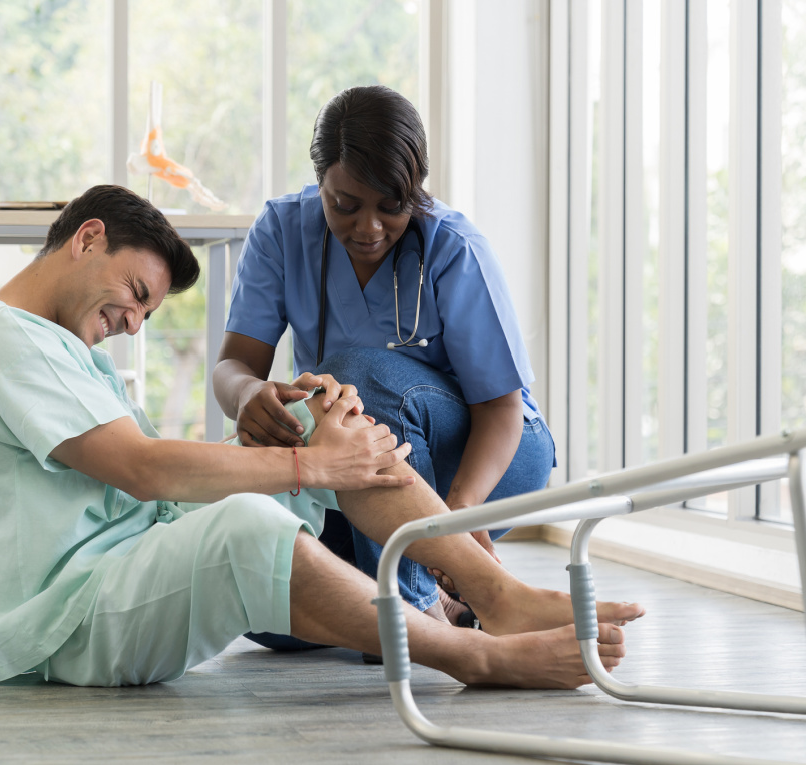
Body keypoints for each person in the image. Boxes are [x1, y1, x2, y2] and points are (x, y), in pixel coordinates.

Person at [0, 184, 642, 689]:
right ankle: (471, 658)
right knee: (249, 517)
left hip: (125, 558)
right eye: (137, 295)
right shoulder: (0, 341)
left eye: (146, 312)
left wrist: (309, 437)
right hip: (58, 620)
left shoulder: (57, 346)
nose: (134, 325)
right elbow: (141, 470)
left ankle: (496, 595)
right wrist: (304, 465)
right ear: (87, 239)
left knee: (323, 415)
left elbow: (147, 485)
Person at [214, 86, 555, 631]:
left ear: (414, 190)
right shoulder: (281, 231)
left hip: (484, 457)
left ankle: (414, 614)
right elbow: (234, 365)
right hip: (359, 475)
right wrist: (248, 394)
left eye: (391, 206)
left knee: (353, 381)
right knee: (269, 610)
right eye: (344, 205)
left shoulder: (453, 247)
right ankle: (433, 603)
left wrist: (457, 517)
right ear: (319, 180)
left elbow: (502, 410)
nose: (368, 228)